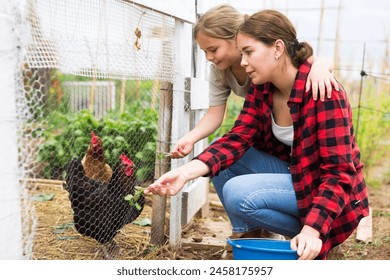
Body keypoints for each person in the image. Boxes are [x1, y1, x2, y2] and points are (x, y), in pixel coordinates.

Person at [145, 9, 369, 260]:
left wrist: (312, 229)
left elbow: (339, 174)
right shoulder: (262, 89)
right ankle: (253, 240)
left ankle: (316, 235)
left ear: (277, 48)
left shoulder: (323, 92)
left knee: (239, 193)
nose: (242, 62)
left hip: (328, 192)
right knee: (225, 162)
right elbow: (238, 138)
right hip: (296, 173)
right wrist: (184, 173)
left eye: (249, 52)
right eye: (241, 53)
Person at [170, 4, 338, 159]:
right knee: (218, 153)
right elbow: (214, 114)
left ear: (237, 38)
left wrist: (321, 66)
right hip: (266, 128)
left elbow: (309, 59)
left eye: (213, 49)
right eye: (204, 51)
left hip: (291, 131)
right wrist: (189, 139)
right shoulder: (219, 71)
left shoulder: (267, 61)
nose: (208, 57)